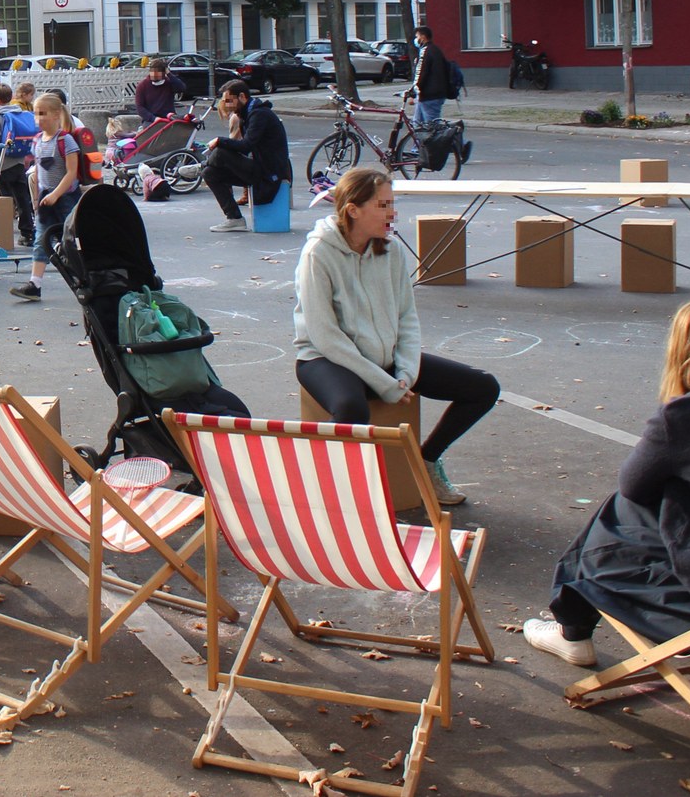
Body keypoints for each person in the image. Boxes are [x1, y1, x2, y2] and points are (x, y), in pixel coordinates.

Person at [523, 299, 690, 667]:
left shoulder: (689, 414)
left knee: (620, 507)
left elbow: (634, 485)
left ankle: (573, 628)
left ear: (681, 349)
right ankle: (572, 621)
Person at [293, 167, 499, 506]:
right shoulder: (318, 252)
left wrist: (406, 372)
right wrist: (384, 383)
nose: (393, 212)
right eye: (383, 204)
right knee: (350, 408)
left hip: (383, 356)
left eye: (392, 203)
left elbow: (407, 317)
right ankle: (335, 497)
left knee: (483, 387)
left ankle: (428, 461)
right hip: (324, 358)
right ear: (353, 210)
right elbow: (324, 334)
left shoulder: (391, 251)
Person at [9, 92, 81, 302]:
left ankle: (87, 278)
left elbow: (71, 173)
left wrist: (57, 194)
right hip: (46, 199)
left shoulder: (65, 139)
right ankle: (35, 285)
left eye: (43, 114)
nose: (38, 119)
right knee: (41, 240)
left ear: (57, 114)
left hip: (66, 198)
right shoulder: (38, 140)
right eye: (35, 114)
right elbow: (38, 171)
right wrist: (36, 199)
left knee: (73, 241)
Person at [199, 79, 291, 233]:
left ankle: (199, 166)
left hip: (269, 173)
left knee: (221, 151)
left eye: (229, 100)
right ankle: (234, 219)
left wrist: (219, 141)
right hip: (259, 167)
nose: (227, 105)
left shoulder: (260, 115)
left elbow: (246, 146)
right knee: (210, 173)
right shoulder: (247, 114)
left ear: (242, 96)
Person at [0, 82, 38, 248]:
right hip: (19, 161)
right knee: (22, 198)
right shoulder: (19, 113)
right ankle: (27, 232)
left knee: (4, 200)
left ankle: (3, 233)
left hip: (2, 163)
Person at [412, 26, 454, 125]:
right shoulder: (436, 50)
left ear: (423, 37)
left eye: (417, 36)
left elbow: (421, 73)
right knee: (417, 124)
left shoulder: (425, 51)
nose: (416, 39)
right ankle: (419, 141)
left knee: (432, 127)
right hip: (434, 94)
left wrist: (414, 91)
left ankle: (460, 141)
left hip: (429, 95)